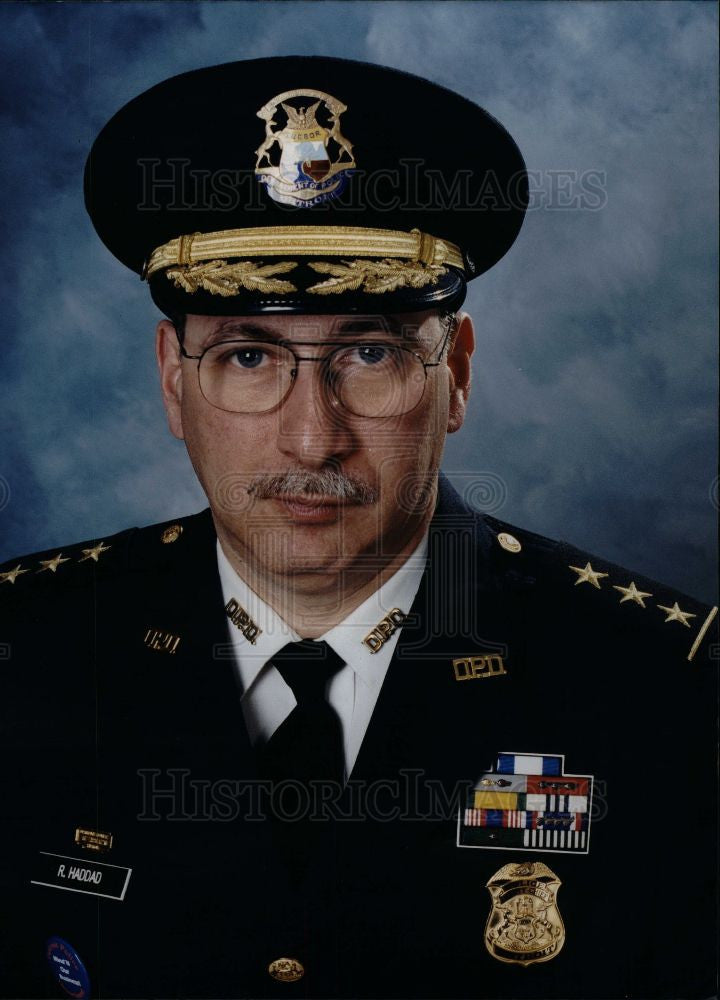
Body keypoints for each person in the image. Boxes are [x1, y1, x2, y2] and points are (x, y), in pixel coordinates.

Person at [0, 56, 716, 1000]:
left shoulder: (666, 688)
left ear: (454, 372)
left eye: (370, 352)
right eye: (249, 355)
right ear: (174, 379)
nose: (313, 437)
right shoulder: (28, 649)